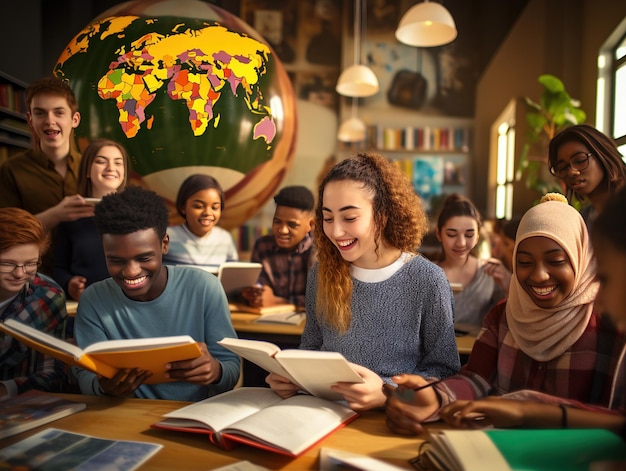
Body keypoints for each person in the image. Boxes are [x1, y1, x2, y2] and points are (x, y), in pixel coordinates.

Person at [384, 194, 625, 434]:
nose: (539, 275)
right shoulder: (504, 315)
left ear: (582, 258)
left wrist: (526, 409)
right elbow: (477, 377)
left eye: (556, 261)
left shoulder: (612, 322)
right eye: (525, 262)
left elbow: (618, 418)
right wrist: (436, 397)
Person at [266, 152, 460, 411]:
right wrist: (294, 378)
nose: (335, 231)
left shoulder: (427, 279)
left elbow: (445, 372)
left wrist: (387, 392)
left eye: (349, 218)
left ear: (381, 215)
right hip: (320, 413)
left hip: (391, 420)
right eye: (328, 217)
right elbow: (311, 347)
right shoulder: (320, 274)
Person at [73, 186, 240, 401]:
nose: (131, 271)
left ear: (164, 244)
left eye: (144, 258)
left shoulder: (204, 287)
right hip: (122, 416)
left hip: (192, 416)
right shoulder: (93, 301)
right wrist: (104, 387)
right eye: (116, 260)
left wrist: (215, 371)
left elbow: (231, 369)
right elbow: (85, 377)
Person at [0, 77, 96, 275]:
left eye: (59, 112)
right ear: (30, 120)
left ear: (74, 119)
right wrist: (56, 215)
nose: (50, 121)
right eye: (40, 113)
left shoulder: (95, 168)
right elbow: (5, 234)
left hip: (87, 280)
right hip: (31, 280)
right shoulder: (11, 170)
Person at [0, 207, 72, 398]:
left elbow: (53, 373)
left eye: (30, 263)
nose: (20, 274)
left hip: (16, 407)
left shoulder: (47, 295)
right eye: (7, 264)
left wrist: (6, 389)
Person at [53, 139, 129, 300]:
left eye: (118, 163)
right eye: (101, 161)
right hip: (87, 307)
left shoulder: (139, 214)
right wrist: (69, 283)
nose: (111, 168)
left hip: (129, 305)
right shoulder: (71, 216)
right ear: (87, 170)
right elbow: (59, 268)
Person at [434, 194, 509, 328]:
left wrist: (508, 285)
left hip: (477, 348)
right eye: (451, 234)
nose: (461, 243)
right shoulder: (427, 274)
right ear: (438, 234)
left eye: (469, 235)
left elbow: (508, 319)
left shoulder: (490, 272)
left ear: (478, 236)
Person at [241, 185, 316, 310]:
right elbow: (261, 289)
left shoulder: (320, 251)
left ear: (310, 225)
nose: (282, 230)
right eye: (277, 222)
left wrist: (276, 301)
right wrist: (255, 295)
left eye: (292, 224)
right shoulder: (262, 246)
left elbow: (319, 302)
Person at [548, 124, 626, 227]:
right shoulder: (583, 220)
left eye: (580, 160)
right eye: (563, 168)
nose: (571, 172)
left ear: (601, 154)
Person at [162, 174, 238, 268]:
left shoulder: (225, 238)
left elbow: (233, 274)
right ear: (183, 207)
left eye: (215, 207)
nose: (207, 213)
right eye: (198, 206)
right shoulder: (166, 236)